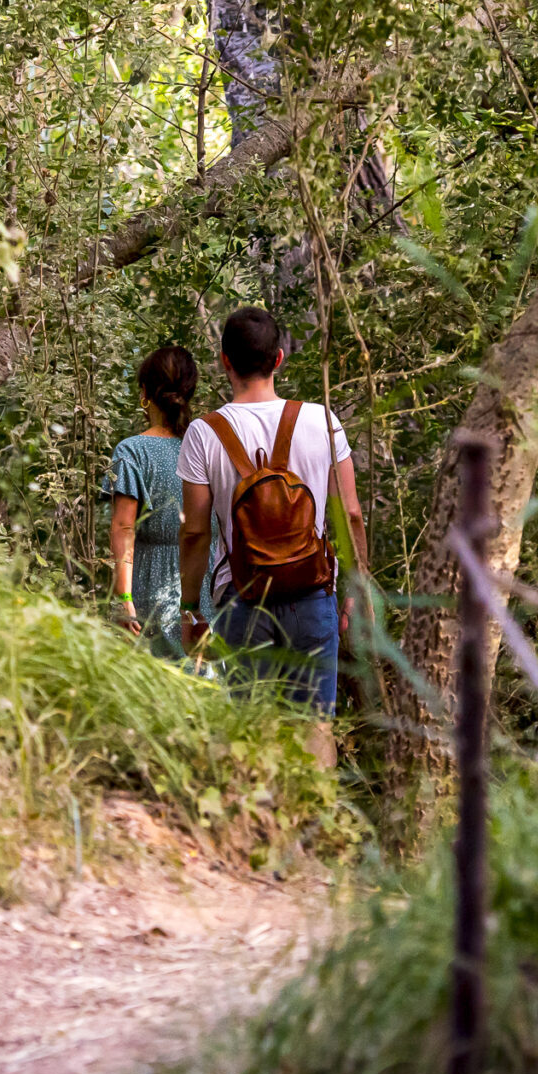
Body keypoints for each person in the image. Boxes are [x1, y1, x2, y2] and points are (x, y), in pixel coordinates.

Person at [178, 306, 367, 765]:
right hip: (312, 593)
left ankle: (258, 828)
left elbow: (196, 533)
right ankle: (315, 824)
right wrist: (355, 590)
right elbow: (352, 514)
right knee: (316, 728)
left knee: (251, 730)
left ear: (224, 361)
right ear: (279, 359)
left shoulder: (204, 433)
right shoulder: (323, 421)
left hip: (242, 600)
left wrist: (190, 608)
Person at [102, 345, 199, 656]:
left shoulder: (132, 451)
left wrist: (124, 600)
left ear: (144, 392)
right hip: (204, 581)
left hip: (152, 585)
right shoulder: (206, 446)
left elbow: (123, 528)